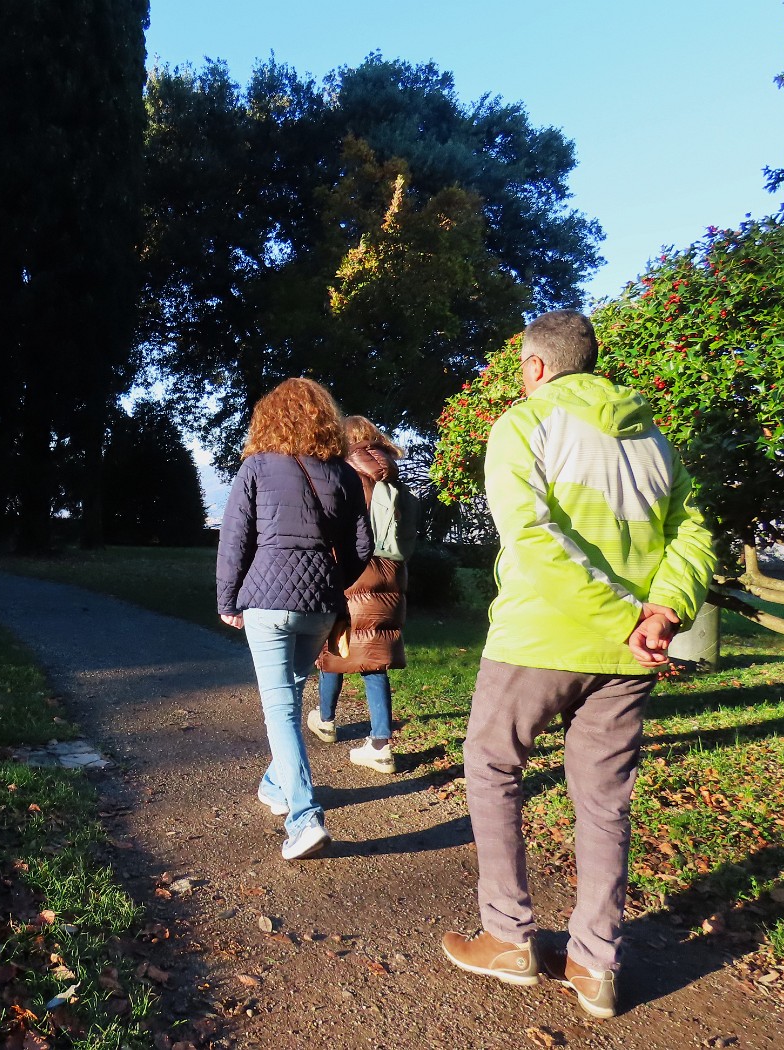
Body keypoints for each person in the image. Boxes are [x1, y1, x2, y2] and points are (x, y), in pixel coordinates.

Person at [440, 310, 716, 1018]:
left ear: (535, 367)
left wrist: (626, 615)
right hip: (630, 655)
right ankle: (595, 964)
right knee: (604, 801)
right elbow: (693, 535)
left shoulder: (524, 425)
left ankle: (507, 936)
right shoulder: (653, 438)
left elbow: (531, 539)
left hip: (539, 640)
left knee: (491, 765)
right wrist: (660, 613)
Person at [216, 378, 373, 860]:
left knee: (280, 709)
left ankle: (304, 817)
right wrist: (331, 578)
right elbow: (364, 547)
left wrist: (228, 600)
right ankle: (276, 785)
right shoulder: (343, 475)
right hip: (320, 605)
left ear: (270, 419)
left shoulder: (257, 467)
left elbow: (234, 539)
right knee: (290, 698)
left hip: (267, 601)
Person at [309, 416, 417, 774]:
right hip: (392, 571)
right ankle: (381, 742)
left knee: (336, 643)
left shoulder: (345, 473)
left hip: (357, 567)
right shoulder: (393, 475)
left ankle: (325, 720)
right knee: (373, 653)